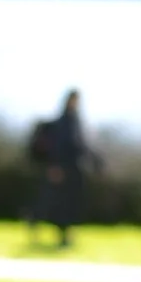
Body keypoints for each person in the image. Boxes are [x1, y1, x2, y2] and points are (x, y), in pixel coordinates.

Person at [26, 86, 93, 247]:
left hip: (73, 170)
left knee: (68, 205)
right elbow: (61, 146)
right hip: (62, 170)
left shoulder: (75, 121)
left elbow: (80, 145)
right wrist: (55, 166)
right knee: (57, 205)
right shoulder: (64, 122)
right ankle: (39, 224)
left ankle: (64, 236)